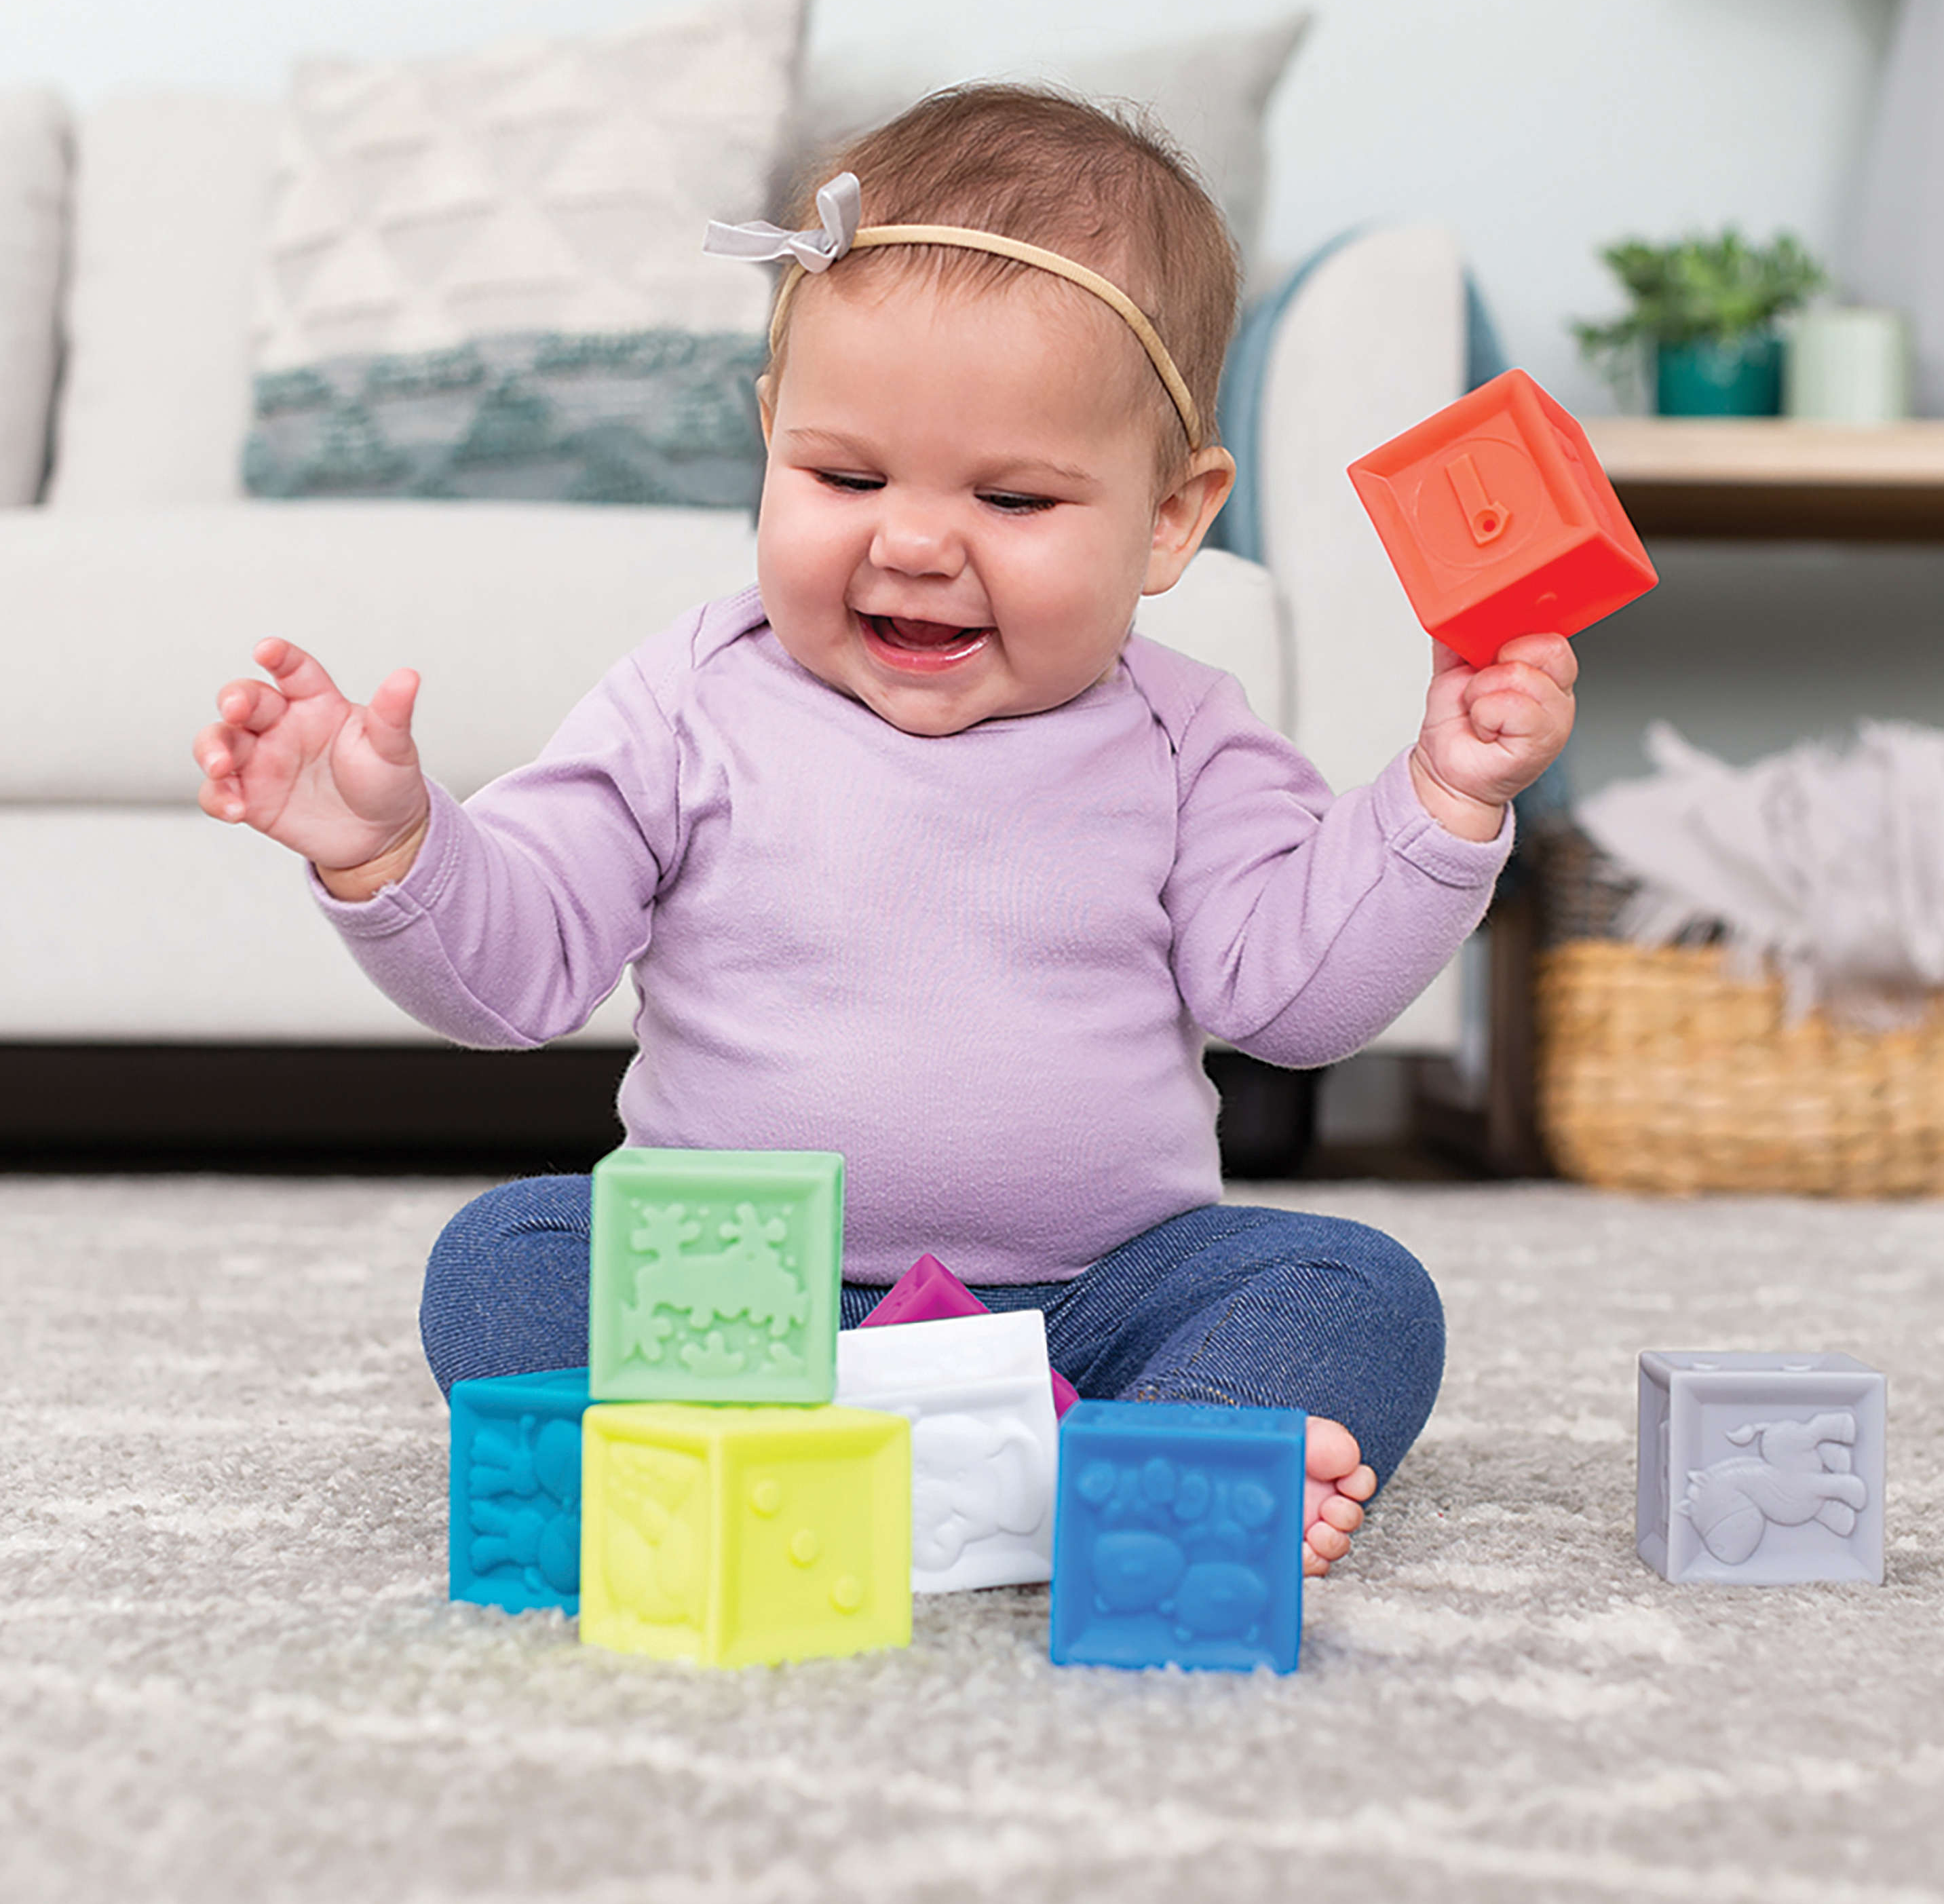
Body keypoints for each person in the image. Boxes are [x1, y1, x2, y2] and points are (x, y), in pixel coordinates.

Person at [193, 85, 1576, 1578]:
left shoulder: (1188, 735)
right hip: (727, 1307)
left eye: (1017, 495)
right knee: (509, 1260)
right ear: (768, 442)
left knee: (1353, 1284)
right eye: (844, 477)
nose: (912, 542)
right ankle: (964, 1474)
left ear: (1173, 519)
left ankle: (1126, 1446)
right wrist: (388, 847)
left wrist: (1442, 800)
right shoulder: (688, 701)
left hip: (1092, 1301)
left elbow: (1296, 1004)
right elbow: (517, 976)